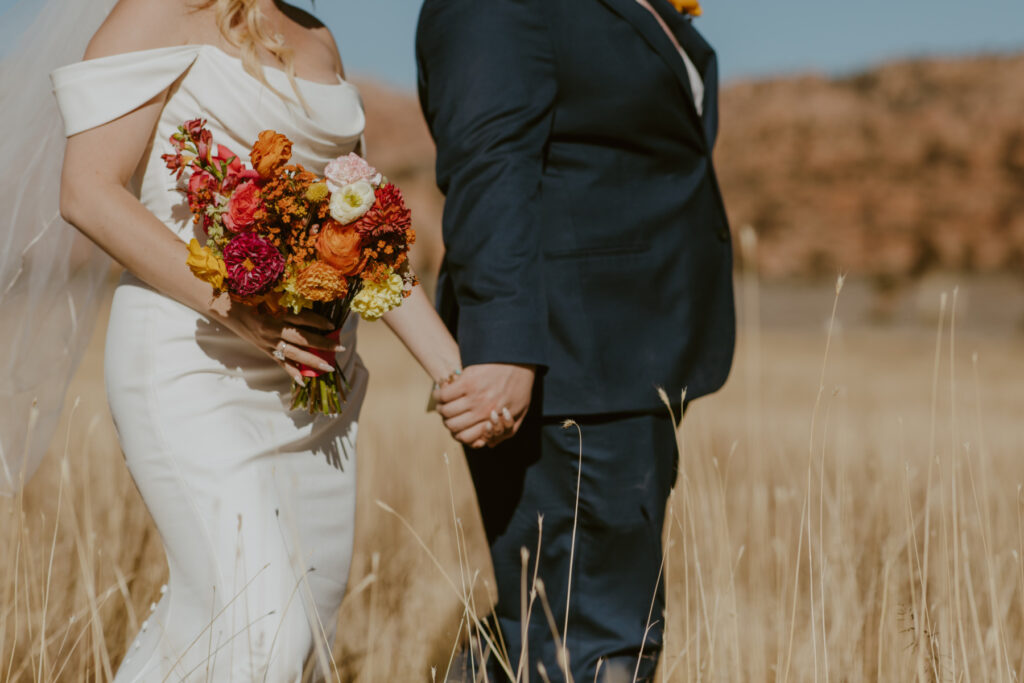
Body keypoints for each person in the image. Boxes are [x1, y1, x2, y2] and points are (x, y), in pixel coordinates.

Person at [44, 0, 498, 679]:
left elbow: (364, 232)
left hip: (314, 387)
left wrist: (451, 369)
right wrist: (240, 311)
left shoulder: (320, 41)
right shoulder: (157, 12)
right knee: (263, 628)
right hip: (190, 361)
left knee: (296, 639)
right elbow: (87, 190)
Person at [417, 0, 736, 679]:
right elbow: (489, 159)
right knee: (594, 641)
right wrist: (504, 342)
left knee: (558, 632)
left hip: (628, 355)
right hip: (564, 360)